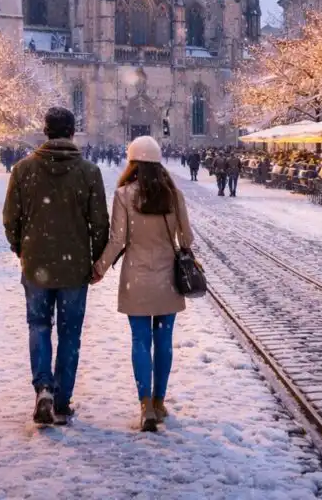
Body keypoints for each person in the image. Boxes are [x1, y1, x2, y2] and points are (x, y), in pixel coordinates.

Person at [3, 107, 109, 426]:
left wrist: (22, 248)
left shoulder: (23, 169)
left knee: (38, 326)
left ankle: (44, 389)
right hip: (75, 267)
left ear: (45, 131)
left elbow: (11, 219)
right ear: (72, 132)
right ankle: (62, 400)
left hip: (36, 264)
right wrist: (96, 260)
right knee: (70, 333)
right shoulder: (89, 172)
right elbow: (100, 224)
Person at [92, 136, 194, 433]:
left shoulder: (124, 194)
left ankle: (145, 404)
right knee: (163, 341)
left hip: (136, 276)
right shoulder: (174, 196)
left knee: (140, 341)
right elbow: (186, 239)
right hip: (167, 279)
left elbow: (117, 240)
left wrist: (98, 268)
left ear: (132, 163)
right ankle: (161, 401)